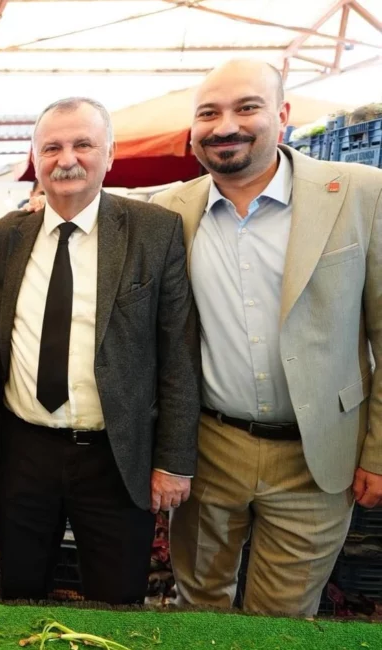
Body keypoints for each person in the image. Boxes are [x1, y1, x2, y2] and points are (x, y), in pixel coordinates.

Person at [151, 59, 382, 617]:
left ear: (280, 115)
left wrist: (377, 450)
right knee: (198, 605)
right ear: (193, 129)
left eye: (246, 107)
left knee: (282, 617)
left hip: (317, 454)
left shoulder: (359, 193)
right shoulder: (171, 210)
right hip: (211, 448)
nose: (225, 125)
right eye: (209, 113)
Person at [0, 97, 200, 605]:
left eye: (83, 144)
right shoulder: (1, 239)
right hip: (24, 452)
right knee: (19, 593)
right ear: (35, 158)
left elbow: (178, 350)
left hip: (116, 455)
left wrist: (174, 459)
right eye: (51, 147)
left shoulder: (152, 230)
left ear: (110, 154)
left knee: (117, 600)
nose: (66, 158)